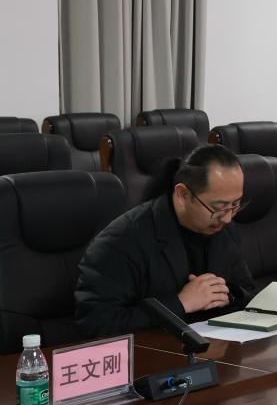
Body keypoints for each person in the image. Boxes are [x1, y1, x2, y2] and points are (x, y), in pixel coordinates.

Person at [76, 145, 258, 338]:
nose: (227, 218)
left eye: (235, 204)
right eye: (219, 207)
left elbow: (247, 292)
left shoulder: (223, 228)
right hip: (154, 351)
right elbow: (97, 324)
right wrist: (180, 303)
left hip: (215, 345)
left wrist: (229, 296)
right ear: (182, 195)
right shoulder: (121, 241)